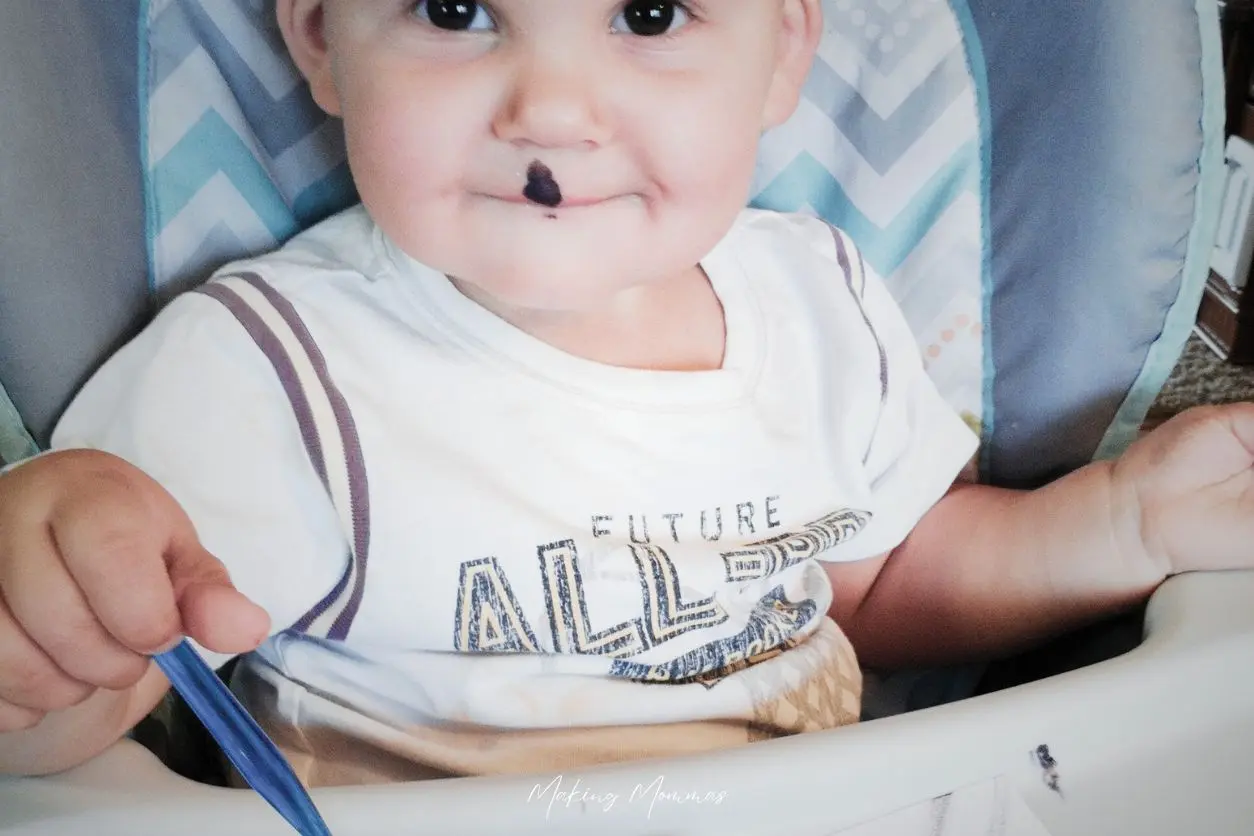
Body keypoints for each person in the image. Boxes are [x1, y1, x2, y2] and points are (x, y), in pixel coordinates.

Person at [1, 0, 1252, 785]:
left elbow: (880, 585)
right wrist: (40, 662)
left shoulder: (820, 297)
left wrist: (1120, 520)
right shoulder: (266, 369)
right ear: (322, 37)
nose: (553, 108)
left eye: (650, 15)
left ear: (781, 59)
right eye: (455, 9)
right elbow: (106, 714)